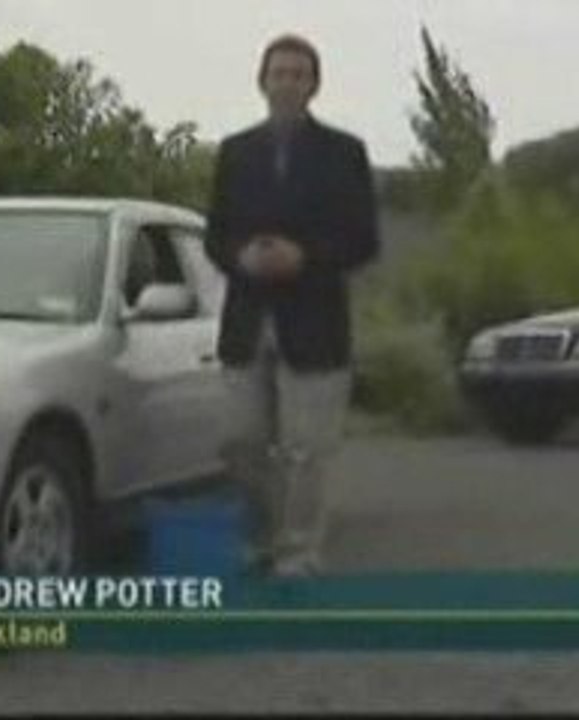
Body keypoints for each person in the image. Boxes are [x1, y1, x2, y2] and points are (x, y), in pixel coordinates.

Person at [204, 33, 380, 575]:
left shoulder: (343, 153)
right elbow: (215, 236)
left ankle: (299, 552)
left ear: (314, 85)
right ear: (263, 82)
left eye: (298, 75)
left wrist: (303, 258)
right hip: (247, 321)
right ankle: (260, 539)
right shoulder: (236, 152)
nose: (287, 83)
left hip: (315, 322)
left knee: (306, 451)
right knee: (240, 441)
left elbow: (363, 241)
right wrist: (242, 256)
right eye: (279, 73)